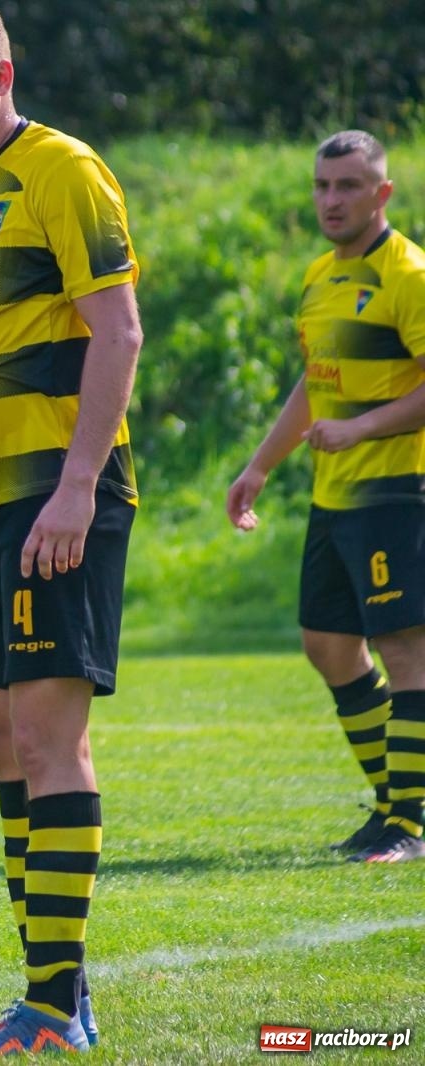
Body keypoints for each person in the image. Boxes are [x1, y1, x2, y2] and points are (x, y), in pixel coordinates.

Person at [0, 2, 143, 1055]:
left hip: (57, 491)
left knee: (51, 740)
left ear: (3, 72)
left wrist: (78, 483)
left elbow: (116, 329)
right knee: (3, 741)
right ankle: (49, 995)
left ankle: (54, 1008)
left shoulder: (62, 169)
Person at [227, 130, 425, 865]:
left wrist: (361, 428)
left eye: (347, 186)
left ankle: (407, 823)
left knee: (406, 652)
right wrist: (259, 466)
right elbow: (316, 384)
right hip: (333, 497)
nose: (331, 200)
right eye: (321, 186)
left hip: (397, 492)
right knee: (328, 647)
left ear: (382, 193)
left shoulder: (407, 274)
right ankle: (396, 801)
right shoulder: (318, 277)